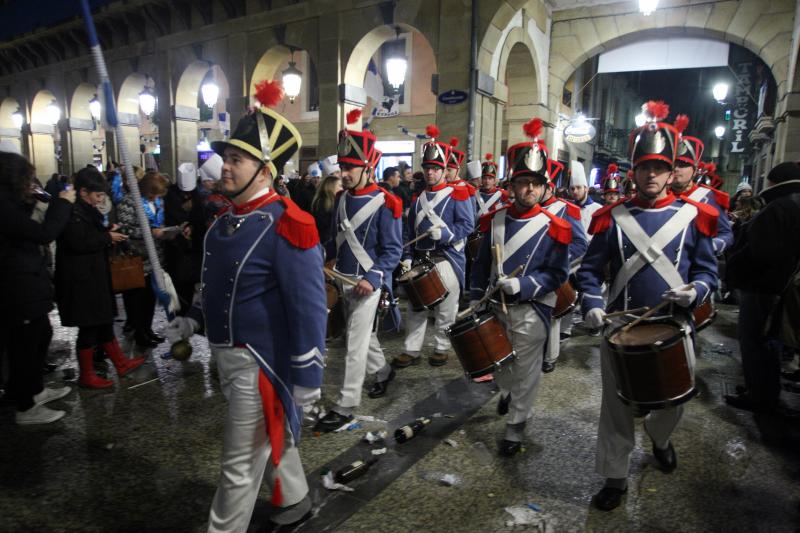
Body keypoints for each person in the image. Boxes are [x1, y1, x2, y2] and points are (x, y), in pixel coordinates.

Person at [165, 81, 327, 530]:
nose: (225, 166)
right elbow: (211, 289)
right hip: (225, 357)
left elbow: (310, 310)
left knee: (237, 464)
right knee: (265, 440)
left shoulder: (290, 226)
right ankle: (295, 498)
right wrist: (191, 322)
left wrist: (308, 377)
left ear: (266, 169)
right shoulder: (221, 224)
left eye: (237, 159)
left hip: (262, 363)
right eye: (228, 157)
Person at [577, 100, 718, 511]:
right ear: (633, 171)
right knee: (615, 408)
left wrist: (697, 292)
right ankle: (615, 477)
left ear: (671, 171)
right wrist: (590, 303)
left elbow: (709, 273)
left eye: (659, 167)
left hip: (674, 327)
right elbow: (590, 271)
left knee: (675, 400)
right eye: (644, 167)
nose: (652, 175)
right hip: (619, 329)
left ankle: (660, 434)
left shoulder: (695, 217)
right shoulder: (610, 217)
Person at [469, 117, 571, 456]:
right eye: (522, 181)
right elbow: (482, 263)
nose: (528, 189)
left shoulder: (555, 226)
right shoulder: (495, 220)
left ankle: (515, 428)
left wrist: (525, 285)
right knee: (503, 367)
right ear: (511, 184)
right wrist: (474, 298)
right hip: (496, 307)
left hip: (532, 309)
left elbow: (557, 274)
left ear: (544, 188)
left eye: (534, 183)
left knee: (526, 371)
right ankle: (509, 395)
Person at [315, 111, 403, 432]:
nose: (344, 173)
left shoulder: (387, 202)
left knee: (354, 342)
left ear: (367, 166)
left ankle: (347, 404)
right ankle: (384, 373)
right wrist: (328, 259)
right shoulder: (340, 199)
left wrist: (373, 277)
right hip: (344, 280)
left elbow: (393, 250)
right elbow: (335, 239)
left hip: (369, 282)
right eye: (342, 167)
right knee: (364, 337)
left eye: (350, 167)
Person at [0, 147, 74, 425]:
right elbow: (43, 233)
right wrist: (63, 203)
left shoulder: (10, 202)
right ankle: (25, 406)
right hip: (15, 284)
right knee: (25, 344)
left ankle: (34, 390)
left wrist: (32, 201)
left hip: (25, 279)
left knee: (40, 333)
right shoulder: (3, 206)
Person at [55, 167, 146, 389]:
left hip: (94, 275)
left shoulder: (86, 209)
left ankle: (121, 363)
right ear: (84, 192)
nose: (100, 200)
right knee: (89, 326)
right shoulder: (72, 212)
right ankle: (86, 374)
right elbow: (78, 243)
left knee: (104, 321)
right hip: (81, 280)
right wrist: (107, 237)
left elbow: (92, 236)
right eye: (97, 196)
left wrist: (108, 232)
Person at [392, 125, 474, 368]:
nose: (430, 173)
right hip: (421, 258)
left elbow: (467, 225)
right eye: (427, 168)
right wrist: (407, 256)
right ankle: (411, 349)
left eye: (435, 169)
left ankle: (441, 347)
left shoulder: (457, 194)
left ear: (443, 170)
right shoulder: (418, 199)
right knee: (416, 305)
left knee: (446, 306)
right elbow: (409, 231)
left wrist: (446, 233)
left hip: (447, 257)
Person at [724, 161, 800, 413]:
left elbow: (759, 252)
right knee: (769, 343)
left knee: (756, 342)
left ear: (773, 183)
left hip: (763, 288)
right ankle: (763, 390)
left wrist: (736, 267)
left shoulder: (780, 208)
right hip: (781, 287)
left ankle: (760, 394)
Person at [538, 158, 588, 371]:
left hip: (554, 272)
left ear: (549, 186)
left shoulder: (566, 209)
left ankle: (549, 357)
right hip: (530, 273)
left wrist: (559, 260)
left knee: (552, 315)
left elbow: (580, 243)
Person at [117, 171, 173, 350]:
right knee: (137, 300)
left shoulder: (158, 201)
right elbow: (125, 230)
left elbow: (159, 220)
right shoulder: (129, 202)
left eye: (158, 195)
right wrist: (149, 233)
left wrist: (166, 231)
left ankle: (148, 329)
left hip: (156, 256)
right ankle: (139, 332)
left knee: (150, 298)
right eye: (153, 194)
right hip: (138, 258)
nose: (156, 198)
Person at [670, 115, 733, 255]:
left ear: (694, 170)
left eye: (684, 165)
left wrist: (708, 248)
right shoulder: (659, 195)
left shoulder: (709, 197)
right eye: (673, 165)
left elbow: (725, 234)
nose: (677, 169)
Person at [163, 164, 206, 315]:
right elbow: (169, 218)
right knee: (179, 282)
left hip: (193, 247)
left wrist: (192, 227)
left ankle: (189, 310)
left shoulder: (197, 196)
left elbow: (199, 217)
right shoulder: (170, 195)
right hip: (177, 248)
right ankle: (180, 311)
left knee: (192, 281)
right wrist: (178, 229)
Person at [568, 161, 603, 232]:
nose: (575, 191)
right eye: (572, 188)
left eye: (578, 187)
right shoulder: (568, 208)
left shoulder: (598, 209)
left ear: (586, 189)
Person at [473, 153, 509, 218]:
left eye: (490, 178)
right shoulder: (475, 193)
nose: (487, 181)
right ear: (481, 180)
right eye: (485, 178)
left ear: (494, 180)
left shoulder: (503, 194)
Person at [310, 174, 342, 246]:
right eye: (340, 186)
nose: (342, 189)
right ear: (331, 187)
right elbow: (327, 229)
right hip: (326, 243)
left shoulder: (327, 201)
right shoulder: (323, 203)